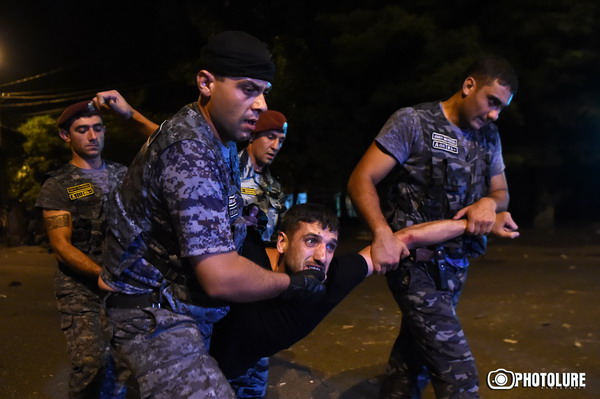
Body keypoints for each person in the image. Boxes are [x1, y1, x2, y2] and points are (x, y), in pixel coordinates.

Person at [96, 31, 326, 399]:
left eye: (264, 91)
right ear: (206, 83)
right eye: (248, 89)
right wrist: (293, 285)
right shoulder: (191, 150)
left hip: (182, 303)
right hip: (155, 315)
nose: (261, 104)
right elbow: (220, 278)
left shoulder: (214, 136)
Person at [209, 203, 520, 398]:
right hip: (190, 360)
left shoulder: (328, 280)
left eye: (330, 246)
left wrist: (474, 225)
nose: (321, 255)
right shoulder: (240, 255)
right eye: (311, 241)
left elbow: (405, 238)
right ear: (281, 241)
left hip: (237, 367)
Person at [347, 55, 518, 398]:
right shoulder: (413, 122)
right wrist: (382, 233)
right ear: (469, 85)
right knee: (459, 373)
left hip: (455, 264)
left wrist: (489, 202)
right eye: (492, 102)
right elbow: (361, 179)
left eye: (502, 107)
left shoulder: (489, 137)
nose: (495, 114)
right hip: (415, 263)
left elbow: (501, 192)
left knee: (414, 358)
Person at [35, 101, 128, 398]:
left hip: (125, 283)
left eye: (98, 128)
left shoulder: (124, 175)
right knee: (91, 363)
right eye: (82, 130)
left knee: (124, 366)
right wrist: (101, 274)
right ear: (66, 136)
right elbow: (61, 246)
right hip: (80, 287)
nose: (92, 136)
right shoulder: (58, 185)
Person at [238, 109, 288, 242]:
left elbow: (281, 230)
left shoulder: (274, 187)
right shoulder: (228, 172)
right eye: (271, 137)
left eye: (281, 141)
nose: (276, 146)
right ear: (252, 136)